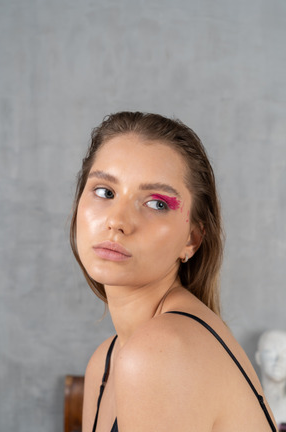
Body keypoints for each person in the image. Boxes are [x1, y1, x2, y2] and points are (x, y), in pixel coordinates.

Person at [70, 111, 277, 432]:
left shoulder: (159, 354)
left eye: (156, 203)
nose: (117, 221)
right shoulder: (105, 361)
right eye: (105, 192)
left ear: (192, 239)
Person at [256, 330, 286, 427]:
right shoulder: (250, 402)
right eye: (270, 352)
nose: (279, 359)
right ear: (258, 357)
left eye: (285, 353)